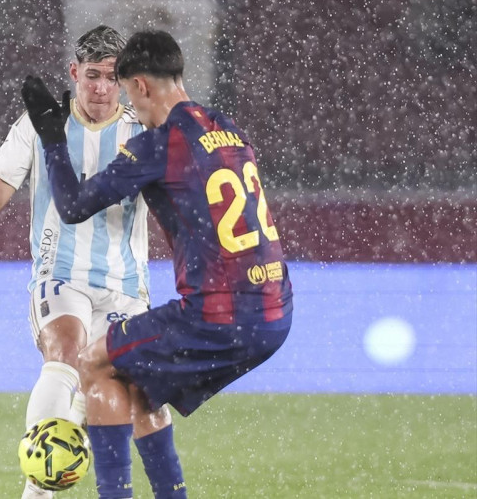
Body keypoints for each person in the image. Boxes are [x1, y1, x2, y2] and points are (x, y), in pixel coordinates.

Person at [22, 29, 294, 499]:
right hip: (276, 309)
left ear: (141, 86)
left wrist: (51, 139)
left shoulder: (160, 142)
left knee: (96, 361)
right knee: (139, 383)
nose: (131, 108)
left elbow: (72, 205)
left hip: (218, 312)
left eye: (127, 92)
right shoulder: (225, 126)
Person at [0, 25, 177, 499]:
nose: (101, 87)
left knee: (105, 398)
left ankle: (38, 491)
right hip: (60, 275)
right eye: (91, 76)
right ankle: (40, 476)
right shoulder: (40, 123)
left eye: (110, 77)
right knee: (64, 351)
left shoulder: (140, 130)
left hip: (125, 287)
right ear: (73, 73)